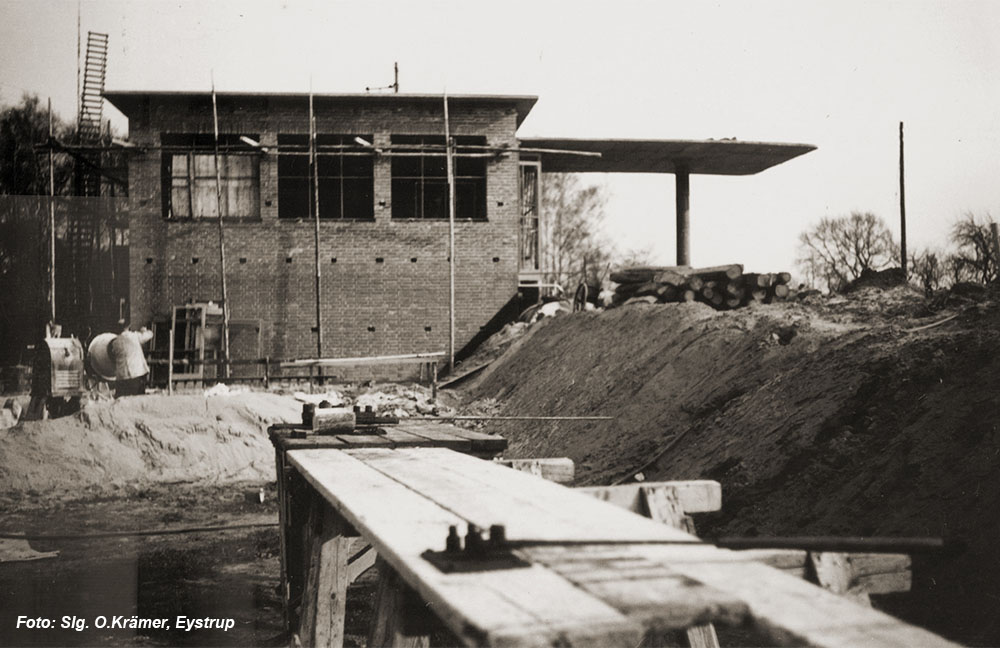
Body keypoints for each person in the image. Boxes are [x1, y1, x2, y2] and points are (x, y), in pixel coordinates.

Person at [108, 326, 154, 397]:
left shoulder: (115, 342)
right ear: (129, 329)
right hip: (136, 374)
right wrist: (144, 330)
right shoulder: (134, 336)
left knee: (121, 399)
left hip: (122, 377)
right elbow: (150, 335)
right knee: (137, 398)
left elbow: (112, 353)